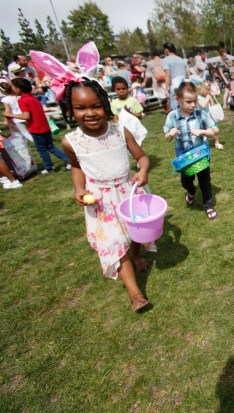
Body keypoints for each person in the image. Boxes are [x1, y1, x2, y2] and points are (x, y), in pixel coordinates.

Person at [61, 78, 152, 312]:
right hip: (100, 201)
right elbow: (77, 166)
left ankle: (137, 255)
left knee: (135, 233)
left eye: (96, 106)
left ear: (105, 104)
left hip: (127, 191)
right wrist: (79, 189)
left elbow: (142, 157)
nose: (90, 113)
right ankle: (136, 294)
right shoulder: (71, 141)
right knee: (114, 242)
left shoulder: (121, 131)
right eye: (81, 108)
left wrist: (142, 170)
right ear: (71, 110)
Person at [163, 82, 219, 220]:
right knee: (186, 182)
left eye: (195, 101)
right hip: (184, 158)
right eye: (188, 102)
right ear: (178, 99)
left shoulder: (200, 114)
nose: (193, 105)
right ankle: (191, 191)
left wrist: (203, 131)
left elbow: (215, 130)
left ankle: (208, 206)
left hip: (201, 155)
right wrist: (170, 134)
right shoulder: (172, 116)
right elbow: (166, 138)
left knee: (205, 182)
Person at [4, 78, 71, 174]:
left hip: (36, 129)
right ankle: (69, 161)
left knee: (42, 149)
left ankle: (49, 167)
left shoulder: (22, 100)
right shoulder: (33, 98)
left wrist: (10, 115)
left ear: (18, 89)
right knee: (50, 147)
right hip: (44, 127)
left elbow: (26, 116)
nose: (11, 88)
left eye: (13, 87)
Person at [196, 83, 224, 149]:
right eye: (207, 90)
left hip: (208, 116)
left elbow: (212, 106)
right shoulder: (197, 97)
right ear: (203, 90)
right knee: (202, 131)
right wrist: (207, 98)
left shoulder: (207, 96)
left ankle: (217, 143)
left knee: (216, 130)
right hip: (200, 116)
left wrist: (211, 99)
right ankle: (200, 144)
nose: (209, 92)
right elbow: (203, 105)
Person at [163, 42, 188, 112]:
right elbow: (188, 74)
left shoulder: (165, 60)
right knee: (185, 106)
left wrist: (166, 89)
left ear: (167, 50)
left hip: (174, 85)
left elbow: (167, 75)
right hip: (184, 84)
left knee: (174, 109)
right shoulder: (182, 60)